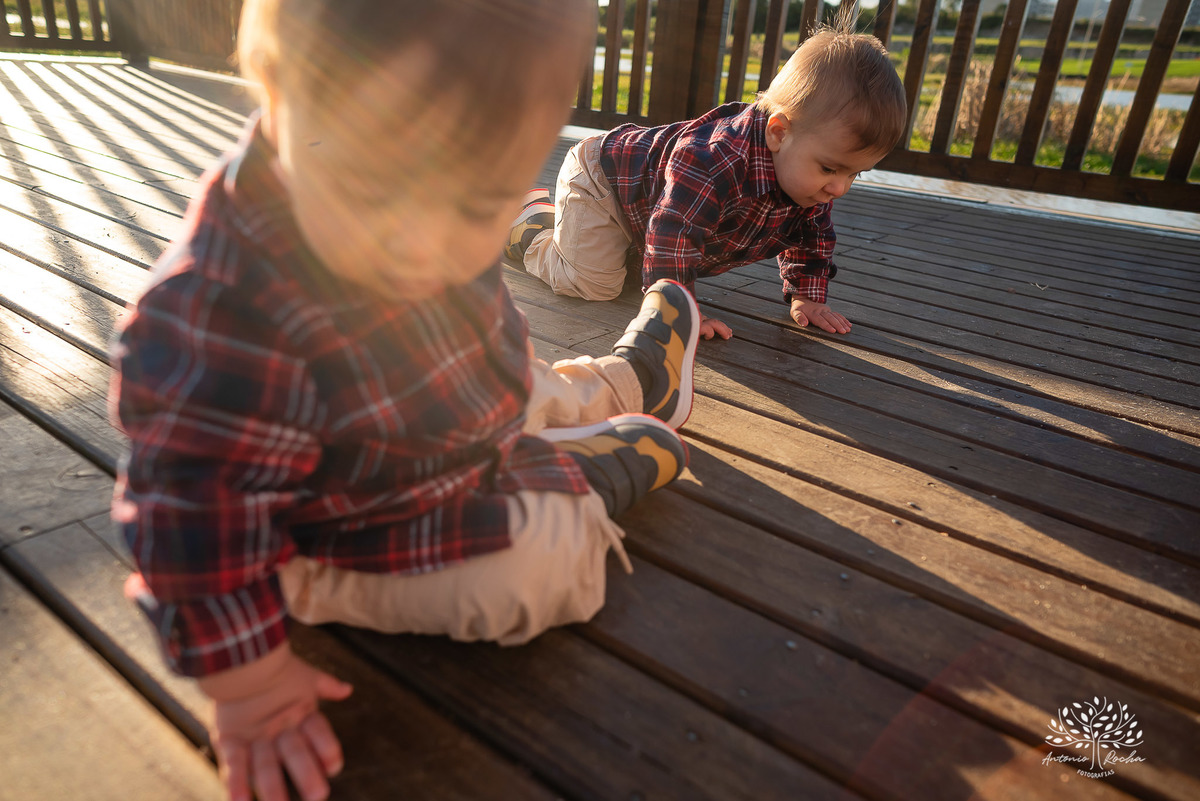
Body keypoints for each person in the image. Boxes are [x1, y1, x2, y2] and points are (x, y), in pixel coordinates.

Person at [109, 3, 701, 801]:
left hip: (449, 398)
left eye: (478, 203)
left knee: (530, 379)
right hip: (349, 515)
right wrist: (249, 689)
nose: (421, 246)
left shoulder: (386, 197)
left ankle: (625, 379)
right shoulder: (218, 320)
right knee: (539, 573)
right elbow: (187, 526)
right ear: (277, 94)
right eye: (377, 192)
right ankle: (588, 473)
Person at [505, 19, 907, 341]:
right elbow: (674, 230)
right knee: (593, 284)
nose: (839, 187)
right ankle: (530, 224)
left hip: (641, 205)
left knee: (627, 278)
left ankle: (579, 233)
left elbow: (813, 238)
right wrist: (678, 311)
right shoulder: (714, 161)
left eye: (855, 173)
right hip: (602, 181)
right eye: (830, 169)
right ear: (779, 133)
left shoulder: (811, 178)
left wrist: (808, 296)